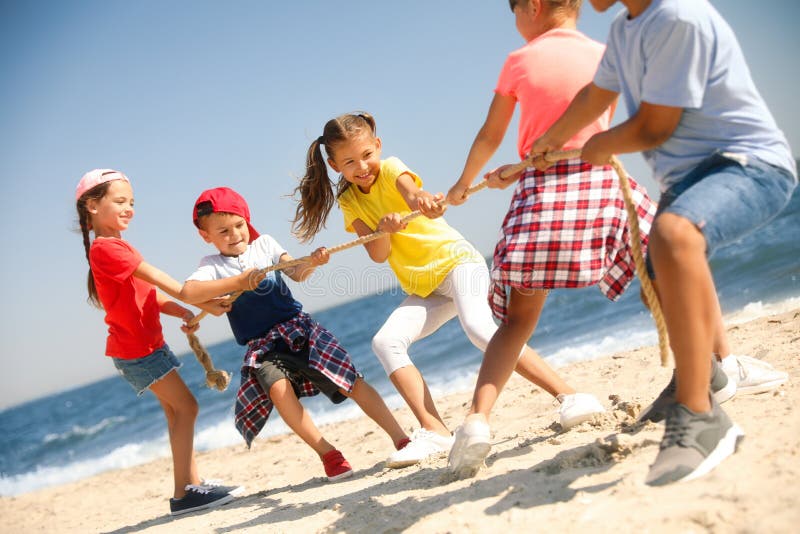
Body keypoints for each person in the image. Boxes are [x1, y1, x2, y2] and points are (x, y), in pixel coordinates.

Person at [530, 0, 797, 485]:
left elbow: (656, 126)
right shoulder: (623, 27)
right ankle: (703, 377)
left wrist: (600, 145)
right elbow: (596, 93)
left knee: (674, 236)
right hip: (688, 180)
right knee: (657, 263)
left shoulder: (677, 16)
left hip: (747, 164)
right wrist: (552, 138)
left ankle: (702, 417)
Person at [291, 111, 606, 469]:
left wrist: (423, 202)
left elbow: (415, 196)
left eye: (366, 155)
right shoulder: (349, 200)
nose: (362, 166)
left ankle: (570, 397)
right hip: (426, 287)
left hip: (458, 264)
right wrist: (385, 229)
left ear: (377, 146)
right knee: (385, 342)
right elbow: (378, 254)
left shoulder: (392, 168)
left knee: (479, 329)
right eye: (349, 162)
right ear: (334, 166)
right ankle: (435, 430)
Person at [444, 0, 657, 477]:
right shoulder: (605, 51)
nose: (516, 22)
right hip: (602, 183)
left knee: (517, 321)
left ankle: (477, 421)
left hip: (542, 193)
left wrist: (464, 184)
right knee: (664, 272)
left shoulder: (519, 61)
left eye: (515, 11)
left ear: (534, 7)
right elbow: (608, 120)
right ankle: (714, 363)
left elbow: (490, 132)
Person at [179, 187, 412, 482]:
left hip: (298, 328)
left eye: (239, 225)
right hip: (261, 346)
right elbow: (189, 292)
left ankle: (400, 437)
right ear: (206, 235)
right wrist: (239, 280)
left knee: (348, 380)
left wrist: (312, 262)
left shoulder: (264, 244)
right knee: (278, 390)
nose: (235, 234)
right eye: (223, 230)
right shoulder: (211, 266)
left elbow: (297, 272)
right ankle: (329, 454)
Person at [75, 169, 243, 516]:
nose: (129, 208)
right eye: (120, 201)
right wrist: (204, 300)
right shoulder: (107, 249)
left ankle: (190, 486)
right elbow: (173, 285)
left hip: (143, 347)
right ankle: (184, 494)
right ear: (92, 205)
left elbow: (148, 295)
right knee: (187, 408)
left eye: (132, 202)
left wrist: (182, 311)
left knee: (175, 412)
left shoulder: (115, 247)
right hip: (138, 351)